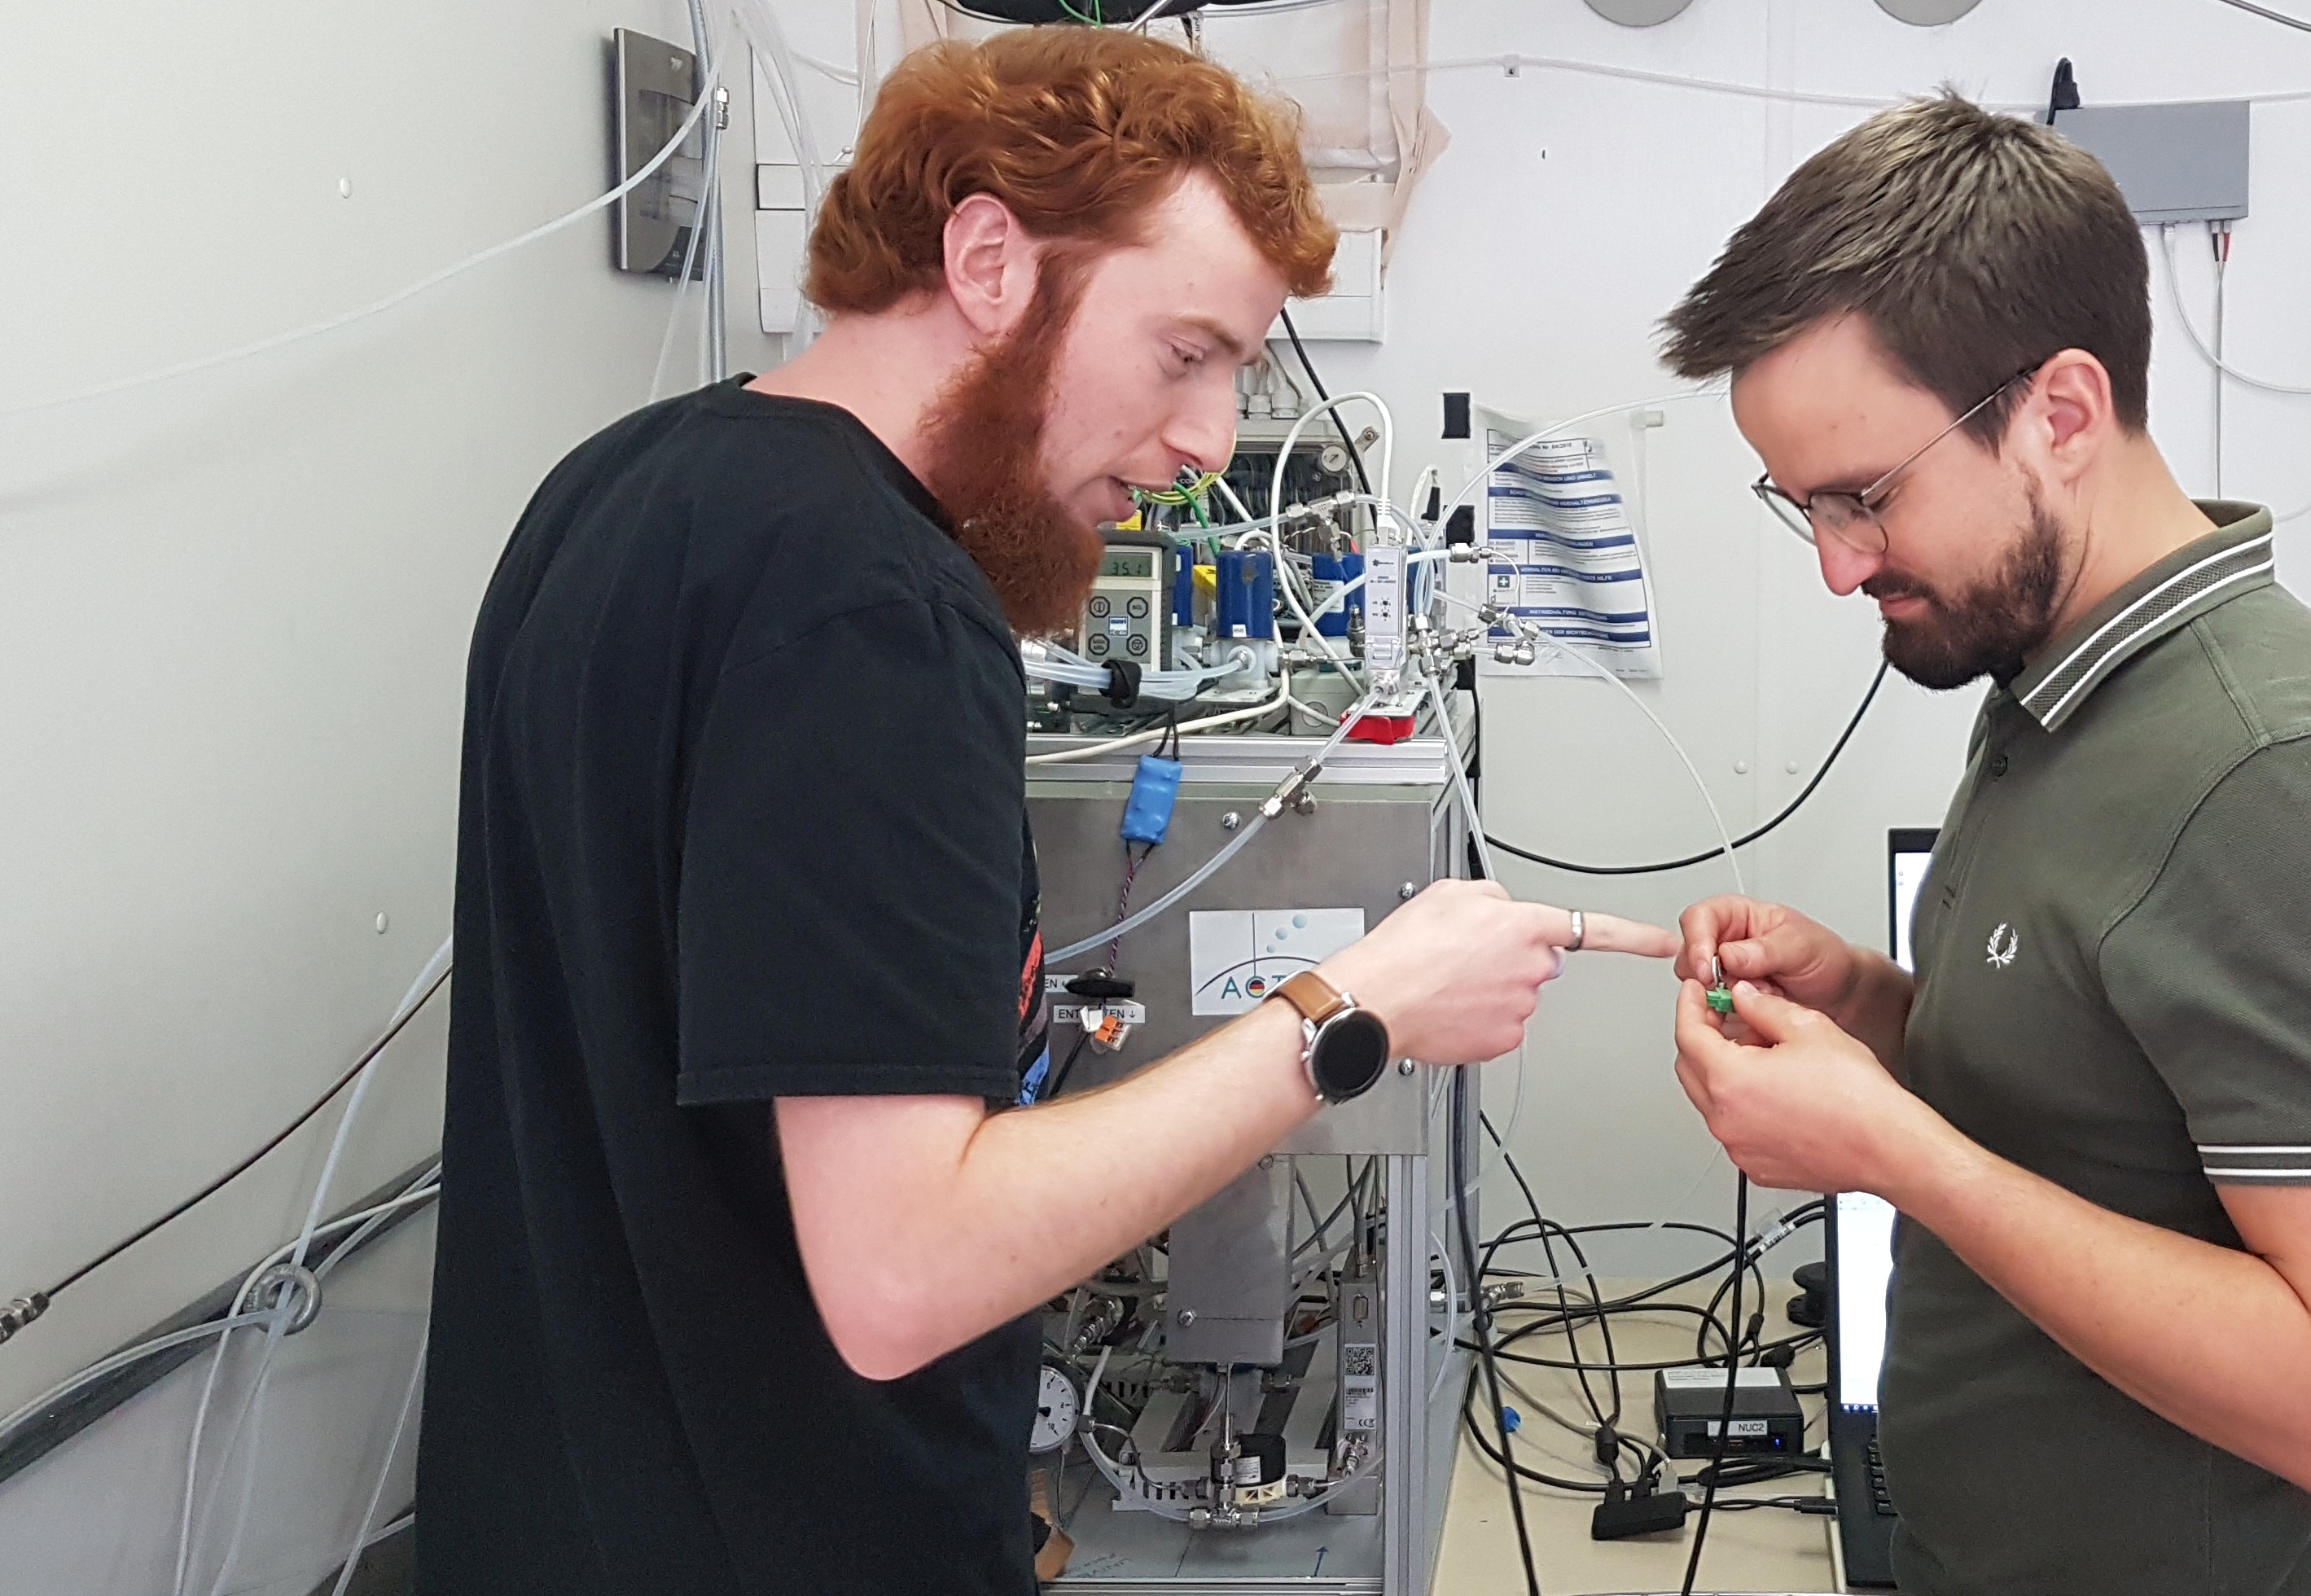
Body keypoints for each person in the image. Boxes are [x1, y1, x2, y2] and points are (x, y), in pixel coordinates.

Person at [419, 29, 1673, 1596]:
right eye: (1185, 353)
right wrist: (1354, 1011)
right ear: (991, 259)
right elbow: (902, 1273)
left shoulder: (614, 492)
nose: (1213, 442)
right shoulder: (874, 609)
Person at [1660, 95, 2311, 1594]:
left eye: (1863, 498)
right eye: (1807, 512)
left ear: (2059, 413)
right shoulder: (2060, 692)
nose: (1841, 567)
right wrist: (1874, 1011)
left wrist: (1890, 1152)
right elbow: (2108, 1122)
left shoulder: (2279, 772)